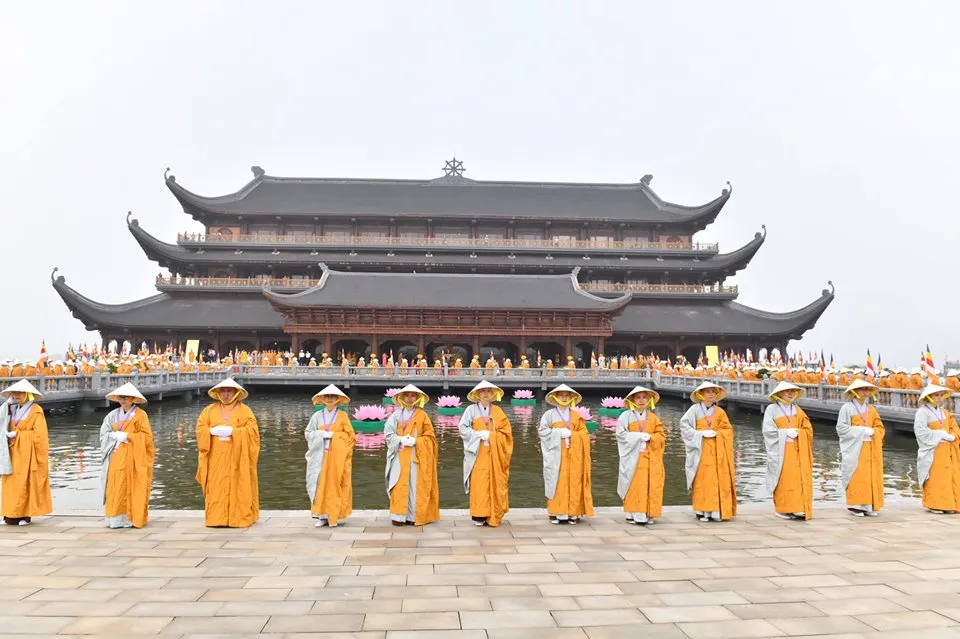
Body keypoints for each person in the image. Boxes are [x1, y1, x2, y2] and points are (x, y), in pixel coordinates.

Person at [195, 378, 260, 527]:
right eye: (223, 391)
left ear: (235, 393)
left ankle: (239, 518)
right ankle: (216, 519)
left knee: (239, 486)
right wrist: (210, 431)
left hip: (237, 457)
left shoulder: (245, 411)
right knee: (216, 486)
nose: (226, 394)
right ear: (218, 393)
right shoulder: (209, 410)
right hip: (215, 457)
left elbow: (253, 432)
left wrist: (234, 432)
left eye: (229, 391)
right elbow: (200, 429)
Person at [99, 382, 155, 528]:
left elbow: (147, 438)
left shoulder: (140, 415)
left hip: (133, 457)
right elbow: (104, 434)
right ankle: (115, 519)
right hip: (116, 456)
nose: (123, 400)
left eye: (126, 398)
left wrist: (128, 436)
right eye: (121, 397)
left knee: (132, 486)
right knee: (116, 486)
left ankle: (132, 519)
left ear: (133, 399)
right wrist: (113, 436)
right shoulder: (112, 415)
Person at [458, 380, 513, 527]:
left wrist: (492, 436)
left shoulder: (498, 411)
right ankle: (479, 514)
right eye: (483, 391)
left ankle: (494, 513)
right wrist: (477, 435)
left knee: (495, 481)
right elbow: (463, 429)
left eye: (489, 391)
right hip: (477, 453)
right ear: (477, 394)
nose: (486, 394)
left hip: (495, 454)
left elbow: (507, 433)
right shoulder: (470, 410)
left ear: (493, 394)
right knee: (479, 483)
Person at [680, 381, 737, 522]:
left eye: (713, 392)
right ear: (701, 394)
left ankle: (716, 511)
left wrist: (718, 434)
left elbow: (728, 430)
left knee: (717, 480)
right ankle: (702, 511)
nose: (711, 394)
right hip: (700, 450)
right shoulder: (694, 410)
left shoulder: (720, 412)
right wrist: (700, 434)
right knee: (702, 480)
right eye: (708, 392)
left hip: (717, 451)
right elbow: (684, 426)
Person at [384, 384, 439, 526]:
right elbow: (388, 434)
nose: (409, 398)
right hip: (399, 455)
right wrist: (399, 439)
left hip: (416, 456)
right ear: (401, 398)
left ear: (417, 398)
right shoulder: (395, 415)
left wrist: (416, 441)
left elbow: (430, 437)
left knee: (415, 486)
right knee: (398, 484)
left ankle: (414, 516)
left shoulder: (423, 416)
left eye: (412, 395)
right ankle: (398, 516)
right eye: (407, 395)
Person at [538, 384, 594, 524]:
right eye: (561, 395)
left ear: (571, 398)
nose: (564, 398)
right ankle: (555, 512)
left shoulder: (576, 416)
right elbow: (542, 432)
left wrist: (572, 435)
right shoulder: (548, 415)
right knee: (556, 481)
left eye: (566, 395)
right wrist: (558, 433)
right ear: (555, 397)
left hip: (574, 456)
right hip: (556, 455)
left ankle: (573, 513)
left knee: (574, 481)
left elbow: (585, 435)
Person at [0, 380, 52, 525]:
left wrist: (18, 435)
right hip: (13, 452)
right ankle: (9, 514)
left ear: (27, 394)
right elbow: (1, 420)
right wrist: (7, 404)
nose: (17, 395)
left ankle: (24, 516)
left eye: (20, 393)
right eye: (14, 393)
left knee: (25, 483)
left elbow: (39, 435)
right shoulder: (12, 409)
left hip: (27, 454)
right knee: (10, 484)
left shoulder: (36, 410)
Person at [305, 384, 355, 527]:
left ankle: (337, 515)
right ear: (322, 399)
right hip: (320, 456)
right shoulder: (317, 416)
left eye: (333, 396)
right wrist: (321, 434)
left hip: (337, 458)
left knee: (336, 484)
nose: (330, 399)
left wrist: (335, 436)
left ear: (338, 399)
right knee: (320, 483)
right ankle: (321, 515)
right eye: (327, 396)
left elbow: (350, 436)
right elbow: (308, 433)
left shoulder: (343, 416)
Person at [762, 381, 814, 520]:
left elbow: (808, 428)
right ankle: (782, 509)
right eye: (787, 391)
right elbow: (768, 431)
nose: (790, 394)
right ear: (779, 394)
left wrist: (799, 433)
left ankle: (797, 508)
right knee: (784, 478)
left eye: (792, 391)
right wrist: (785, 433)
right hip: (781, 450)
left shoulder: (797, 410)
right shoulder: (772, 409)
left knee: (797, 479)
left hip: (797, 450)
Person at [616, 385, 665, 525]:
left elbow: (661, 436)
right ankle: (632, 513)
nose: (641, 400)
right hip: (633, 457)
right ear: (632, 400)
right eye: (638, 397)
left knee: (649, 484)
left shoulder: (653, 418)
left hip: (650, 457)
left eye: (644, 397)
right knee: (634, 484)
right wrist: (637, 436)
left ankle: (648, 513)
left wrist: (651, 437)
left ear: (649, 400)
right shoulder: (625, 416)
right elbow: (620, 435)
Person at [836, 379, 885, 517]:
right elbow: (841, 429)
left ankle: (868, 505)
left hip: (870, 447)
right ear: (854, 391)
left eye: (867, 390)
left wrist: (874, 432)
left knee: (869, 475)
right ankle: (855, 505)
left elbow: (879, 427)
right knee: (856, 474)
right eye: (862, 389)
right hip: (855, 448)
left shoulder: (871, 409)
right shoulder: (846, 408)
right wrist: (862, 431)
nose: (865, 392)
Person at [914, 384, 960, 513]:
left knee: (947, 477)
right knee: (934, 476)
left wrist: (953, 435)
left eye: (941, 395)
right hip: (932, 449)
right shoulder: (922, 412)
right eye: (936, 395)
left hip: (946, 449)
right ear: (929, 396)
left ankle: (948, 504)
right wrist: (940, 434)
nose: (939, 398)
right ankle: (934, 504)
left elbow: (953, 427)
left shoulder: (944, 412)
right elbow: (920, 432)